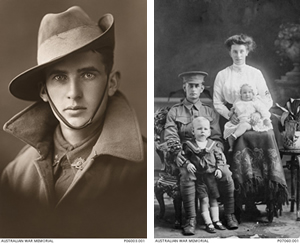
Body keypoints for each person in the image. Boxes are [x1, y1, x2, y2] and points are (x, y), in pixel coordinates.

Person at [0, 6, 146, 238]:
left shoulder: (142, 170)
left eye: (87, 75)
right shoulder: (16, 174)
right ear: (44, 92)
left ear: (111, 83)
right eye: (59, 78)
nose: (73, 93)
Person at [213, 33, 288, 219]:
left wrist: (257, 113)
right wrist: (230, 114)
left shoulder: (255, 73)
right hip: (233, 119)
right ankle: (239, 199)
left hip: (256, 118)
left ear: (247, 52)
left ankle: (265, 194)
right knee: (238, 141)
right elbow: (217, 102)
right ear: (230, 53)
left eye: (241, 51)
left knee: (268, 137)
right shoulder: (223, 75)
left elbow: (267, 98)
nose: (238, 55)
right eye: (234, 51)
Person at [164, 71, 238, 236]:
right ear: (184, 87)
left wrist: (218, 162)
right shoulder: (174, 112)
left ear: (202, 88)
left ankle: (229, 214)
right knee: (187, 174)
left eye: (197, 86)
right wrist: (181, 159)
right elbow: (171, 138)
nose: (193, 89)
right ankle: (190, 219)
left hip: (210, 157)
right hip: (186, 157)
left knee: (226, 173)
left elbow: (218, 139)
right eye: (190, 86)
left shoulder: (209, 112)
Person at [182, 117, 227, 234]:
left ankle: (216, 221)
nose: (202, 131)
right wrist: (187, 163)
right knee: (204, 200)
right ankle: (208, 223)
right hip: (200, 178)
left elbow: (219, 158)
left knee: (214, 200)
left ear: (209, 132)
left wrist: (219, 169)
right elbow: (184, 157)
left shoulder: (213, 145)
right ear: (193, 131)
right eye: (199, 129)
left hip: (211, 177)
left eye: (205, 129)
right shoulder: (189, 145)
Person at [224, 83, 272, 151]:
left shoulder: (254, 103)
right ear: (240, 94)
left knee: (244, 125)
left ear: (253, 93)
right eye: (244, 92)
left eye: (249, 92)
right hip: (239, 122)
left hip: (250, 122)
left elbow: (263, 111)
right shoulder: (238, 103)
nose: (247, 94)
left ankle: (233, 136)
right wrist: (231, 113)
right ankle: (232, 146)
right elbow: (233, 110)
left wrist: (266, 119)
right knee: (229, 127)